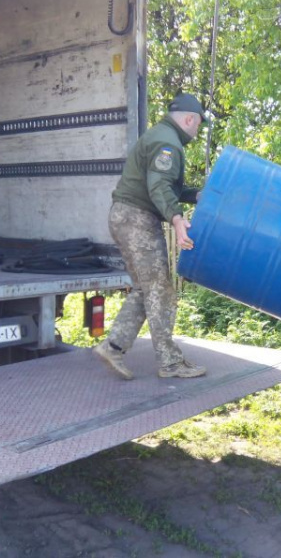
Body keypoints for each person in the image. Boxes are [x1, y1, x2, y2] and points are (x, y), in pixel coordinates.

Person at [95, 93, 208, 380]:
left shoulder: (161, 136)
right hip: (137, 220)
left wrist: (195, 195)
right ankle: (170, 363)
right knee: (160, 290)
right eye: (198, 124)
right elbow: (158, 185)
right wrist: (177, 218)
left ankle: (113, 346)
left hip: (125, 216)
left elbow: (163, 184)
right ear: (189, 119)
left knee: (146, 289)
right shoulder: (168, 144)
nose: (197, 130)